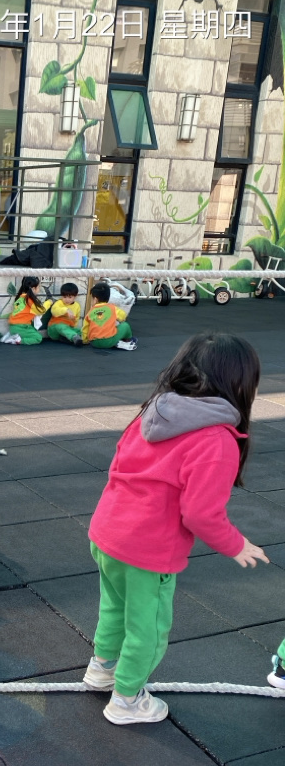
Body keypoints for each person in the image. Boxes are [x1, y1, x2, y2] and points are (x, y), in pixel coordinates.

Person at [83, 332, 268, 724]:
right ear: (239, 384)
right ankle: (127, 700)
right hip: (147, 550)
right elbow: (200, 514)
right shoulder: (215, 440)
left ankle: (102, 668)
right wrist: (236, 545)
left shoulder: (153, 413)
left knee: (114, 605)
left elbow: (119, 468)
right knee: (148, 626)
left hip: (107, 532)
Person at [81, 282, 137, 350]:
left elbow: (85, 328)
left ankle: (117, 343)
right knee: (125, 325)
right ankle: (128, 340)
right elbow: (123, 316)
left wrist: (85, 340)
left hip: (94, 342)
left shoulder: (90, 312)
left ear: (95, 299)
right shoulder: (112, 308)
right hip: (108, 341)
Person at [1, 276, 49, 346]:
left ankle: (13, 334)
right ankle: (17, 340)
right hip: (21, 327)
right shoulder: (29, 300)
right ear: (33, 289)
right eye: (38, 287)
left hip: (14, 326)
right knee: (38, 338)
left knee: (33, 331)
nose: (39, 289)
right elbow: (41, 311)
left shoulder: (21, 297)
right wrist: (48, 302)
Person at [46, 282, 83, 347]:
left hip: (68, 328)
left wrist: (73, 327)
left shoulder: (77, 306)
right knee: (62, 327)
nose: (67, 299)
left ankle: (67, 338)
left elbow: (76, 319)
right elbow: (53, 311)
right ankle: (74, 337)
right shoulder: (59, 303)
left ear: (75, 296)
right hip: (55, 328)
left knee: (80, 331)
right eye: (64, 297)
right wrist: (65, 310)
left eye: (70, 297)